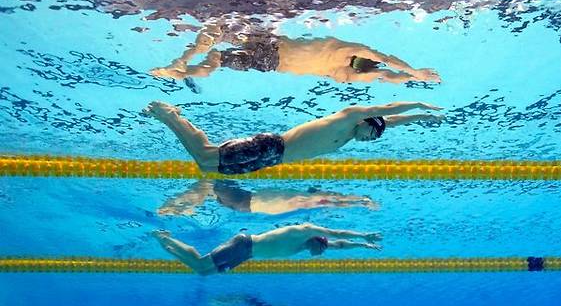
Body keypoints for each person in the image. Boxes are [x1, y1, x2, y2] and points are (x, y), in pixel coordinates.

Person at [143, 100, 444, 175]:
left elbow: (391, 120)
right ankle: (169, 115)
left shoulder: (354, 134)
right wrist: (419, 104)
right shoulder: (349, 117)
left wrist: (422, 118)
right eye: (373, 134)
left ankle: (173, 117)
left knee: (208, 164)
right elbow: (387, 110)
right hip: (272, 146)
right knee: (207, 157)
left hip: (273, 159)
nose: (370, 140)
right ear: (367, 121)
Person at [150, 24, 440, 84]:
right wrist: (417, 77)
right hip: (270, 63)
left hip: (272, 45)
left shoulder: (348, 49)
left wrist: (415, 72)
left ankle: (181, 62)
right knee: (217, 61)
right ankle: (183, 72)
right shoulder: (345, 75)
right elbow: (387, 74)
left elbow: (387, 62)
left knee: (219, 30)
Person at [152, 223, 382, 275]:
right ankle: (167, 240)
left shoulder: (306, 246)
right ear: (317, 241)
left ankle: (168, 243)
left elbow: (340, 245)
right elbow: (339, 235)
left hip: (246, 255)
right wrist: (363, 234)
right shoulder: (303, 231)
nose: (322, 253)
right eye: (322, 250)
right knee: (201, 264)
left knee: (203, 271)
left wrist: (364, 245)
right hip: (243, 244)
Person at [158, 180, 378, 216]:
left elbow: (336, 199)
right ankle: (185, 207)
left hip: (244, 200)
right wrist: (359, 201)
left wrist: (361, 200)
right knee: (209, 189)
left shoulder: (307, 199)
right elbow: (336, 200)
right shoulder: (305, 200)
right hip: (244, 204)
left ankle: (175, 206)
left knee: (207, 183)